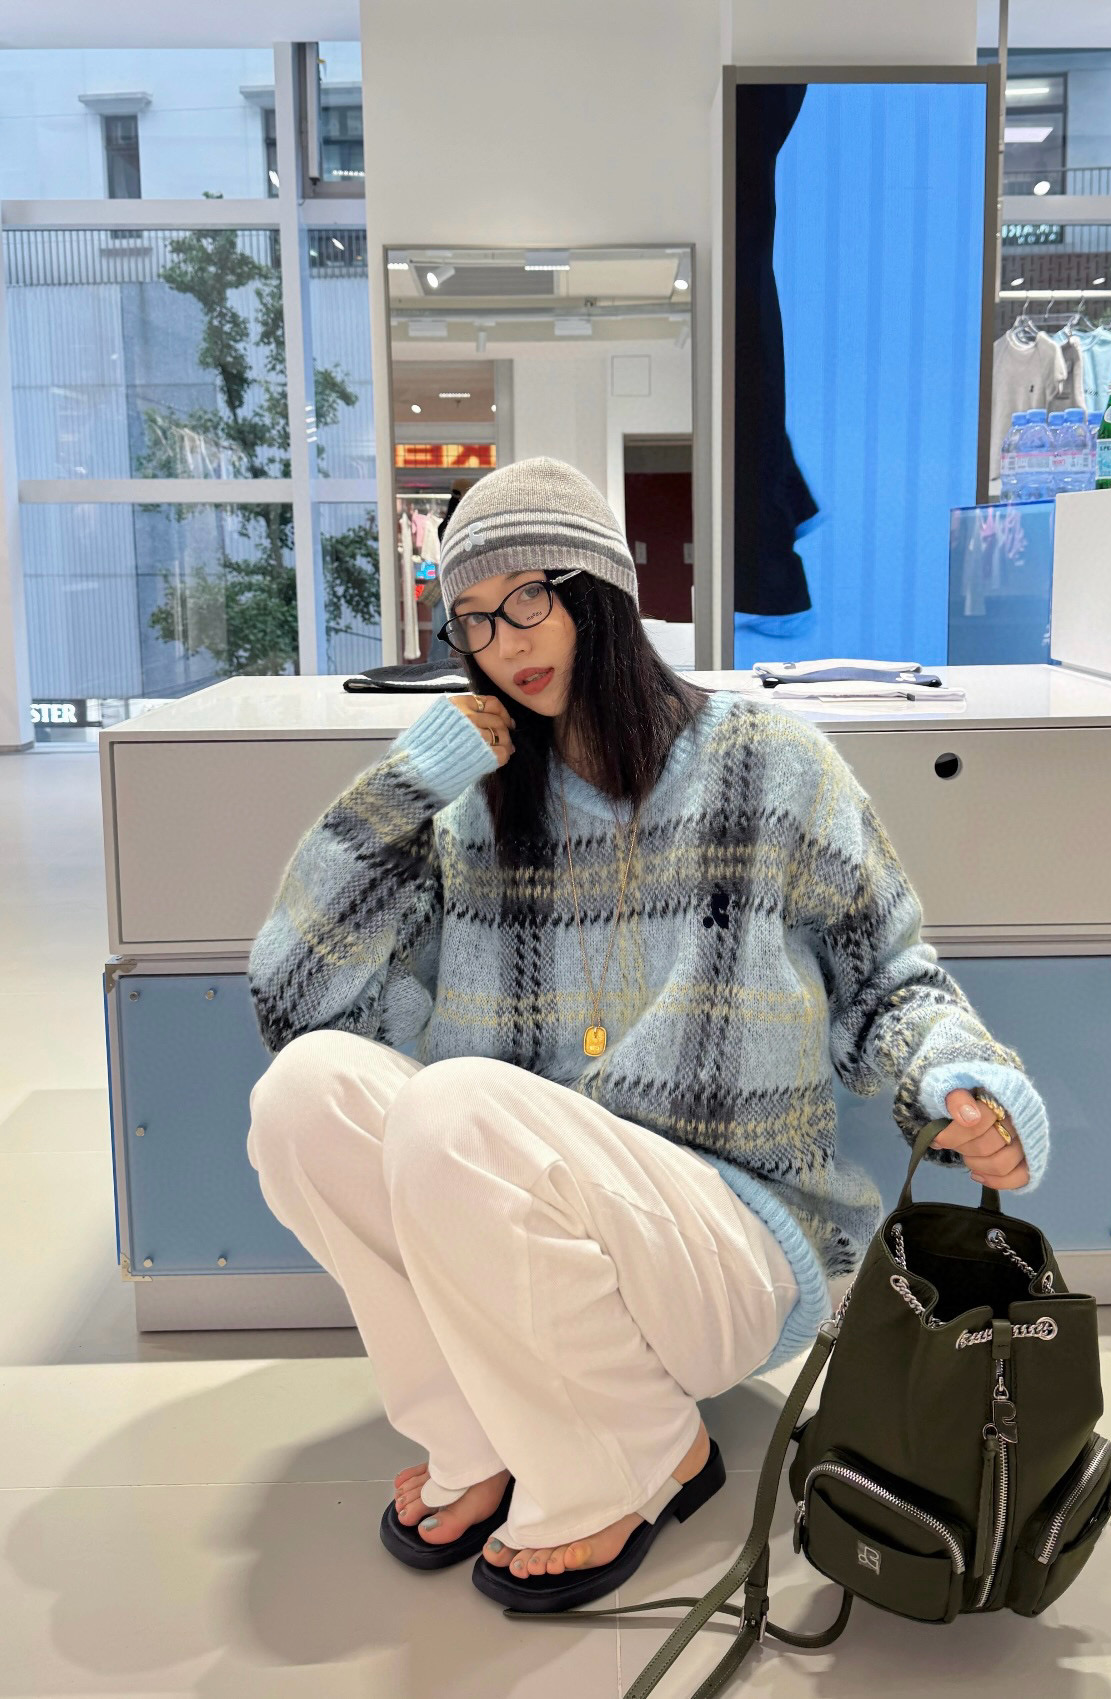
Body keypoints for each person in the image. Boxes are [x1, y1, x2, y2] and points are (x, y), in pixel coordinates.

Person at [245, 456, 1049, 1616]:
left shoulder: (763, 762)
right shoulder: (470, 804)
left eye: (531, 596)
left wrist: (962, 1079)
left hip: (732, 1241)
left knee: (454, 1104)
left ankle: (636, 1456)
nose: (506, 639)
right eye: (474, 617)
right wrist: (405, 785)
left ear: (601, 593)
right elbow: (291, 1001)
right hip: (517, 1207)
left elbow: (889, 975)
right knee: (305, 1094)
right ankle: (479, 1432)